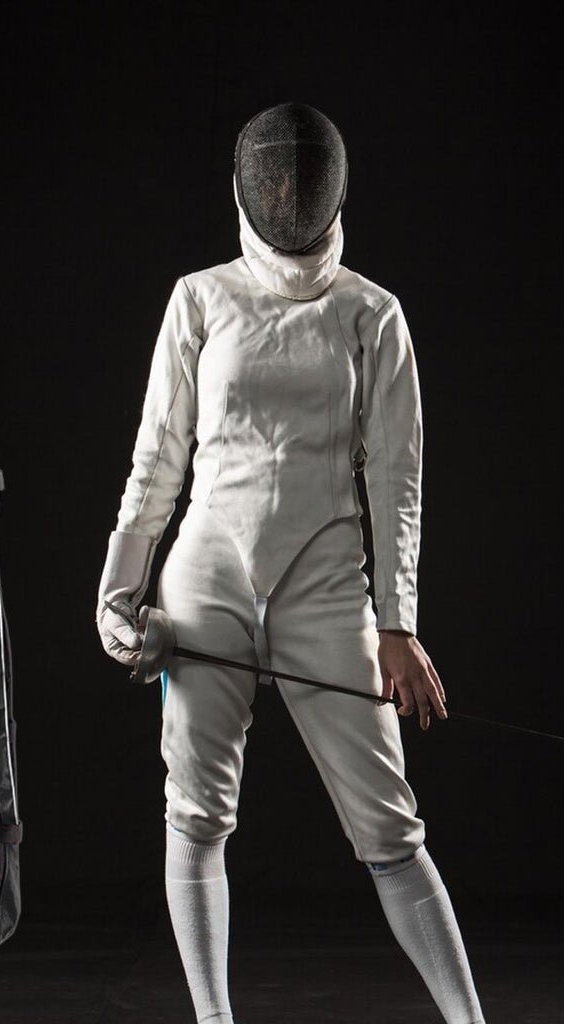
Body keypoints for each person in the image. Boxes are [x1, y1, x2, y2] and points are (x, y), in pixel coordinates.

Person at [96, 102, 484, 1024]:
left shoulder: (372, 314)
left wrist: (397, 625)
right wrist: (120, 588)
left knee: (390, 829)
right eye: (272, 181)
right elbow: (160, 453)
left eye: (299, 183)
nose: (286, 195)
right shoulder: (200, 298)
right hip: (208, 577)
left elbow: (396, 480)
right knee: (195, 813)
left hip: (325, 582)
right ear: (246, 190)